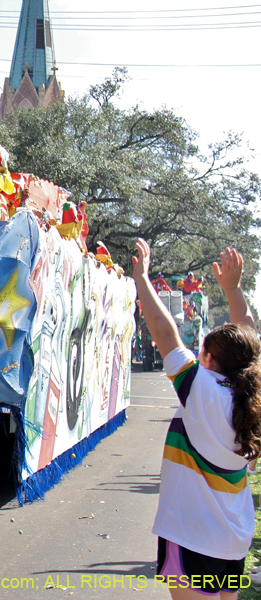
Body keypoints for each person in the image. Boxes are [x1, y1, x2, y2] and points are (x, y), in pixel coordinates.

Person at [133, 240, 260, 600]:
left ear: (207, 358)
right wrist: (233, 290)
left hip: (193, 535)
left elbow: (163, 331)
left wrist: (141, 278)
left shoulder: (201, 389)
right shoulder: (253, 396)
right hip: (234, 537)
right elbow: (249, 340)